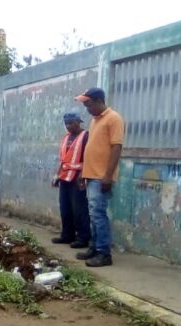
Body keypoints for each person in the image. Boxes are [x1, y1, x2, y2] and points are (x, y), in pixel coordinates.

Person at [74, 87, 124, 267]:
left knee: (98, 214)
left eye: (88, 104)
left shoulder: (114, 119)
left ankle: (104, 253)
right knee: (93, 214)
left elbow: (116, 147)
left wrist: (108, 176)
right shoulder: (95, 120)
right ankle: (95, 248)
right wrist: (83, 172)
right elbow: (92, 150)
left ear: (98, 101)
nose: (86, 108)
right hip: (91, 175)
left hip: (101, 177)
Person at [51, 112, 91, 249]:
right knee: (65, 208)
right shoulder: (66, 137)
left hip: (77, 178)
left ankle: (83, 237)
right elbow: (64, 159)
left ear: (78, 122)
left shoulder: (85, 136)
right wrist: (57, 176)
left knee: (79, 209)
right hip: (64, 177)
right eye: (66, 123)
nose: (68, 126)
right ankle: (67, 235)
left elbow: (89, 158)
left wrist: (82, 174)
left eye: (71, 123)